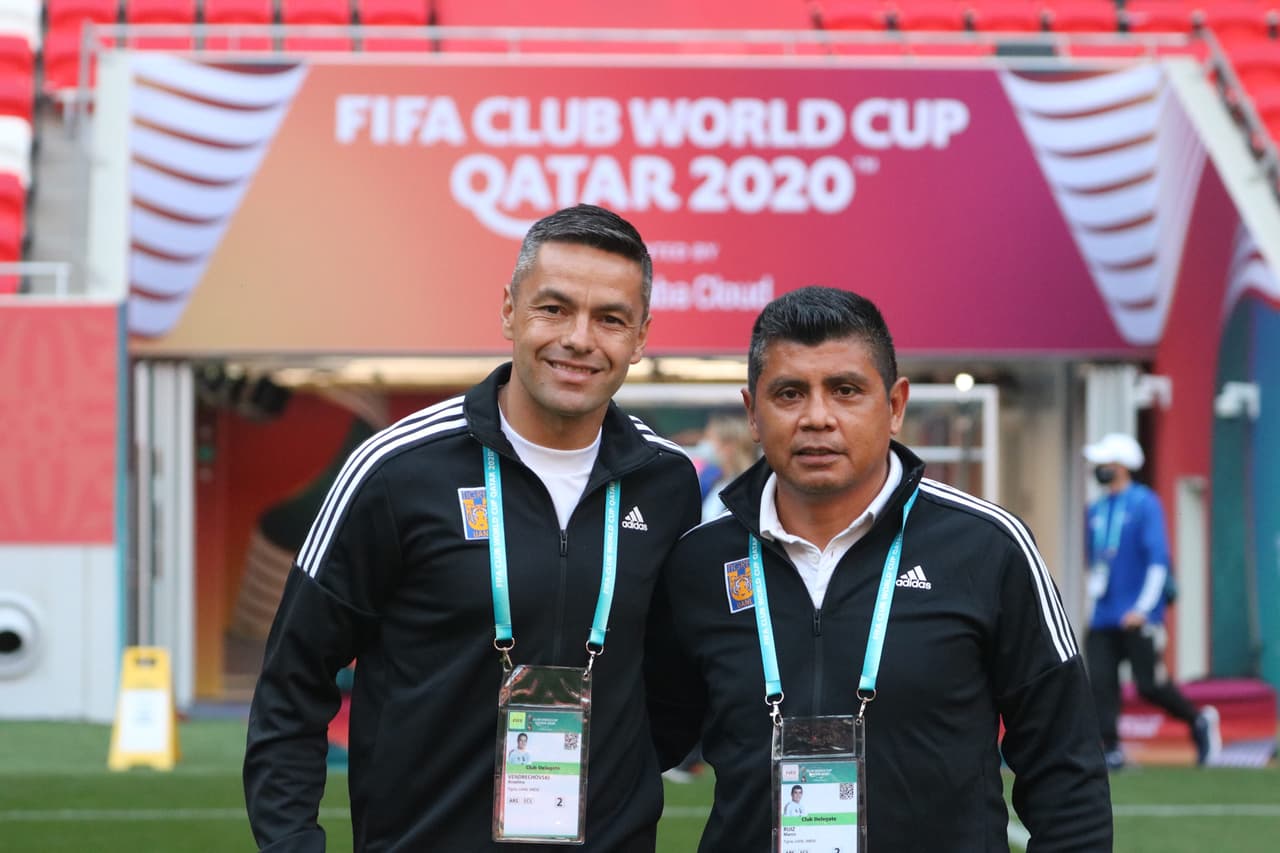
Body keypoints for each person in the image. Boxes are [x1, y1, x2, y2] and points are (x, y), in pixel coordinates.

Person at [244, 204, 703, 852]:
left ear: (641, 335)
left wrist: (617, 789)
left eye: (610, 319)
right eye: (554, 308)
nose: (579, 338)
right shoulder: (395, 471)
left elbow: (676, 684)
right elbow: (293, 683)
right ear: (509, 310)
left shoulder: (668, 482)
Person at [646, 286, 1112, 851]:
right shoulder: (697, 563)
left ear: (894, 406)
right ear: (752, 412)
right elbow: (641, 744)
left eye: (845, 391)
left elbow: (1067, 773)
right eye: (789, 393)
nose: (818, 417)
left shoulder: (988, 548)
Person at [1082, 432, 1221, 771]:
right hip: (1103, 615)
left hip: (1137, 615)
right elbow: (1094, 562)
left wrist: (1143, 609)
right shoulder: (1096, 509)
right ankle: (1111, 748)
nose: (1099, 468)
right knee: (1100, 682)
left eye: (1105, 463)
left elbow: (1159, 560)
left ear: (1122, 466)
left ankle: (1198, 719)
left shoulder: (1144, 503)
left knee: (1149, 684)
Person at [699, 414, 759, 521]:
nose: (703, 443)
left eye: (708, 437)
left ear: (729, 446)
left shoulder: (748, 489)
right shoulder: (717, 481)